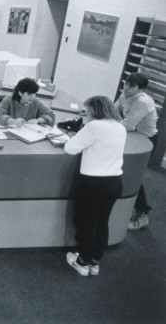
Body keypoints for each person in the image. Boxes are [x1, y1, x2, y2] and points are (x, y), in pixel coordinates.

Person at [63, 96, 126, 277]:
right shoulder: (120, 127)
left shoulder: (94, 126)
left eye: (88, 110)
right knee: (101, 222)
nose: (87, 114)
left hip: (93, 183)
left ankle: (82, 262)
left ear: (94, 110)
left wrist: (79, 135)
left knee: (87, 223)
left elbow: (70, 148)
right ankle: (94, 262)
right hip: (114, 182)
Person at [113, 73, 158, 231]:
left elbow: (128, 125)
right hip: (131, 136)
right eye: (126, 83)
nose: (126, 87)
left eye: (131, 86)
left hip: (144, 140)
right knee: (122, 170)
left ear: (142, 89)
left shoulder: (143, 102)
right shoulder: (125, 94)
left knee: (133, 174)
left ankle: (142, 214)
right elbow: (113, 110)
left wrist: (117, 119)